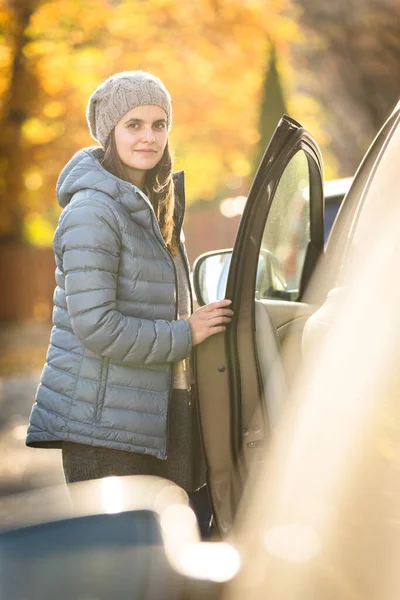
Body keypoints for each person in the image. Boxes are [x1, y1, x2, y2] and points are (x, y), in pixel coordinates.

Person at [26, 70, 233, 503]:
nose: (149, 137)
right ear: (110, 133)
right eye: (134, 125)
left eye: (159, 125)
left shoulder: (154, 207)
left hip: (152, 417)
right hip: (103, 433)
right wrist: (187, 333)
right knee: (118, 567)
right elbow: (98, 328)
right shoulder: (93, 212)